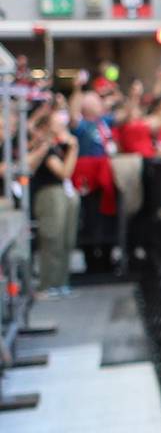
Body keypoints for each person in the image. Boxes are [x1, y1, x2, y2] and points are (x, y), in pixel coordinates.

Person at [27, 102, 78, 298]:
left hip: (63, 194)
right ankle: (48, 283)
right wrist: (74, 149)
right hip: (49, 195)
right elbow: (65, 172)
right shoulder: (44, 148)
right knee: (52, 240)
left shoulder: (56, 146)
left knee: (66, 240)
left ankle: (61, 281)